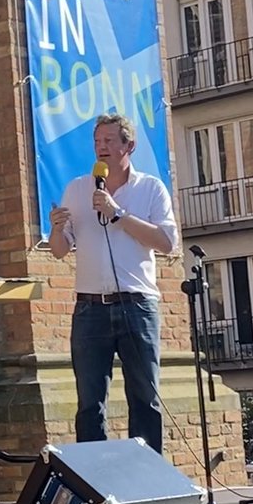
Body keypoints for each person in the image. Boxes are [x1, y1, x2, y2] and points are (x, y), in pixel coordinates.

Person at [47, 113, 179, 453]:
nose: (101, 148)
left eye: (109, 141)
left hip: (137, 305)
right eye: (97, 142)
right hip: (90, 308)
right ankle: (96, 484)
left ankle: (147, 481)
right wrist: (56, 228)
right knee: (90, 403)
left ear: (128, 146)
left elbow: (167, 243)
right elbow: (60, 252)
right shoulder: (77, 188)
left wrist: (118, 214)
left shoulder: (150, 188)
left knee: (144, 398)